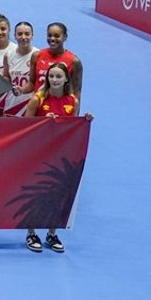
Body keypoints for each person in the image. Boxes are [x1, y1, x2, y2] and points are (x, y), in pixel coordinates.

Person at [23, 63, 93, 253]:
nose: (54, 80)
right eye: (51, 76)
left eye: (58, 76)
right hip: (38, 154)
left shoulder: (72, 101)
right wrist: (44, 123)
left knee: (57, 193)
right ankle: (31, 233)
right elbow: (25, 127)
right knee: (36, 193)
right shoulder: (37, 99)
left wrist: (84, 120)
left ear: (66, 79)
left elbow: (72, 127)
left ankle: (51, 234)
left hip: (61, 155)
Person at [33, 22, 84, 98]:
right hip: (39, 103)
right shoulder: (37, 56)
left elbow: (76, 92)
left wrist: (75, 106)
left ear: (65, 37)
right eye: (49, 35)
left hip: (60, 104)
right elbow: (31, 83)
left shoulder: (74, 62)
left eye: (57, 36)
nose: (52, 39)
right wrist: (21, 90)